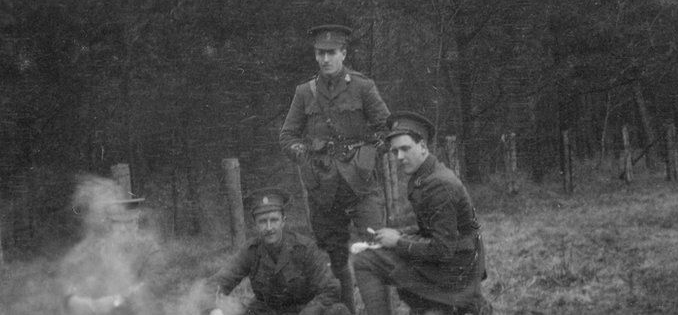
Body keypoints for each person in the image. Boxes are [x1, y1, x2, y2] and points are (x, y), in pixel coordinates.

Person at [278, 24, 391, 312]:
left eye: (331, 53)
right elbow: (287, 135)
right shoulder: (305, 92)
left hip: (361, 185)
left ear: (343, 53)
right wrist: (302, 155)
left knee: (375, 251)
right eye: (320, 53)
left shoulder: (363, 87)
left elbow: (387, 129)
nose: (325, 59)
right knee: (334, 260)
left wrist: (368, 154)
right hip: (324, 191)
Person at [353, 112, 491, 315]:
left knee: (365, 261)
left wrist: (398, 242)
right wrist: (399, 233)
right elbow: (432, 227)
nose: (399, 157)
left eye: (405, 149)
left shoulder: (439, 185)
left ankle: (457, 304)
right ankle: (434, 305)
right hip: (455, 264)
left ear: (423, 147)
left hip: (453, 271)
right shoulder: (426, 175)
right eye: (395, 151)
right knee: (374, 256)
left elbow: (442, 249)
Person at [201, 187, 351, 315]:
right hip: (267, 312)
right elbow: (215, 284)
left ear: (283, 221)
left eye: (273, 220)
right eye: (262, 222)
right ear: (255, 224)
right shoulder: (250, 251)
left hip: (303, 311)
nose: (269, 228)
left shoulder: (304, 248)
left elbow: (330, 288)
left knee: (338, 311)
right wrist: (214, 311)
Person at [59, 177, 162, 315]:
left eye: (130, 221)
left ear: (137, 221)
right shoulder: (91, 248)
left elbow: (153, 286)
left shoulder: (149, 249)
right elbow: (68, 287)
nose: (124, 228)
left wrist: (117, 301)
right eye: (118, 222)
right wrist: (73, 301)